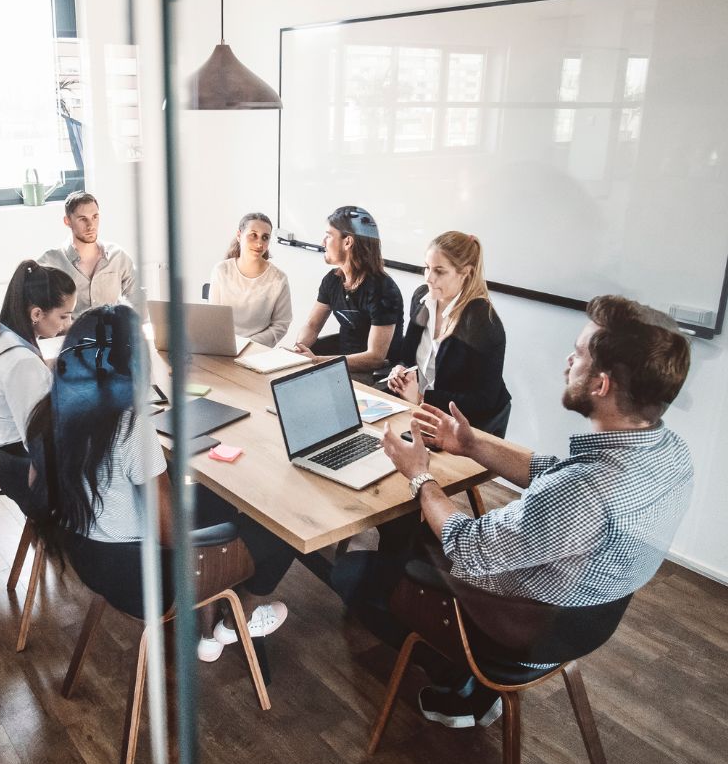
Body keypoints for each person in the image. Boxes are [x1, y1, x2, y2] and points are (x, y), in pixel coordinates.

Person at [333, 295, 693, 728]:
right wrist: (472, 444)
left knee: (352, 575)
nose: (567, 360)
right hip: (584, 622)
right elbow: (551, 471)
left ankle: (464, 680)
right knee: (414, 539)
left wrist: (419, 474)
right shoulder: (668, 453)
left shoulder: (583, 493)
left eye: (578, 354)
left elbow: (466, 545)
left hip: (520, 633)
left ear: (601, 385)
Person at [27, 306, 296, 661]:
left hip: (92, 563)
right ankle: (237, 621)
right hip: (146, 583)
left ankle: (210, 627)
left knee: (209, 497)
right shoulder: (129, 426)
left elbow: (38, 488)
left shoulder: (49, 413)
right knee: (281, 528)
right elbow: (171, 536)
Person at [0, 260, 76, 515]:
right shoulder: (23, 364)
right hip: (34, 485)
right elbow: (41, 444)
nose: (68, 323)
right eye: (64, 315)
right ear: (36, 314)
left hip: (7, 469)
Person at [384, 231, 511, 436]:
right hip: (418, 411)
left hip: (465, 426)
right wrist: (400, 370)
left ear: (465, 273)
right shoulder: (422, 299)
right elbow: (407, 355)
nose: (429, 278)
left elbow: (483, 401)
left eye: (439, 271)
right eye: (427, 268)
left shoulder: (483, 323)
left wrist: (422, 397)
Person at [292, 205, 403, 376]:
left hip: (373, 373)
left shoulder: (383, 290)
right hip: (341, 363)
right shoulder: (333, 279)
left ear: (348, 242)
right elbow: (312, 326)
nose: (323, 242)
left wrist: (316, 361)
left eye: (328, 236)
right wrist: (298, 349)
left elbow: (375, 358)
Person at [38, 191, 138, 319]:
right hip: (70, 337)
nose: (91, 225)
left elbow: (138, 299)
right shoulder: (50, 262)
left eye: (95, 217)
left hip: (112, 336)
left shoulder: (117, 256)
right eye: (83, 219)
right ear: (67, 221)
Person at [209, 211, 292, 347]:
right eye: (253, 235)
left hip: (257, 350)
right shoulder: (221, 270)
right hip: (223, 347)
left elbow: (281, 325)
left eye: (265, 238)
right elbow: (213, 318)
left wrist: (248, 344)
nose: (259, 243)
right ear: (239, 236)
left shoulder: (278, 279)